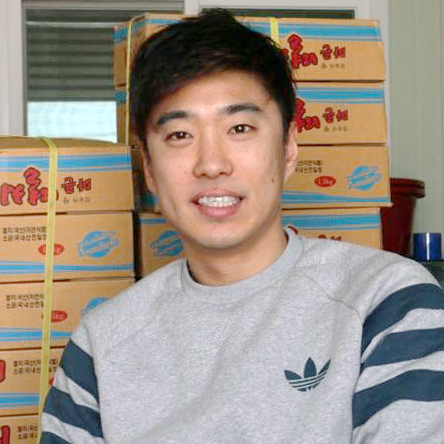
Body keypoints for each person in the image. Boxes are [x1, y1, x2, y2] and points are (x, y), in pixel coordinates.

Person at [40, 9, 444, 444]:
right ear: (150, 170)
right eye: (179, 135)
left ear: (288, 148)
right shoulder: (99, 348)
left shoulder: (386, 302)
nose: (212, 164)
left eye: (239, 127)